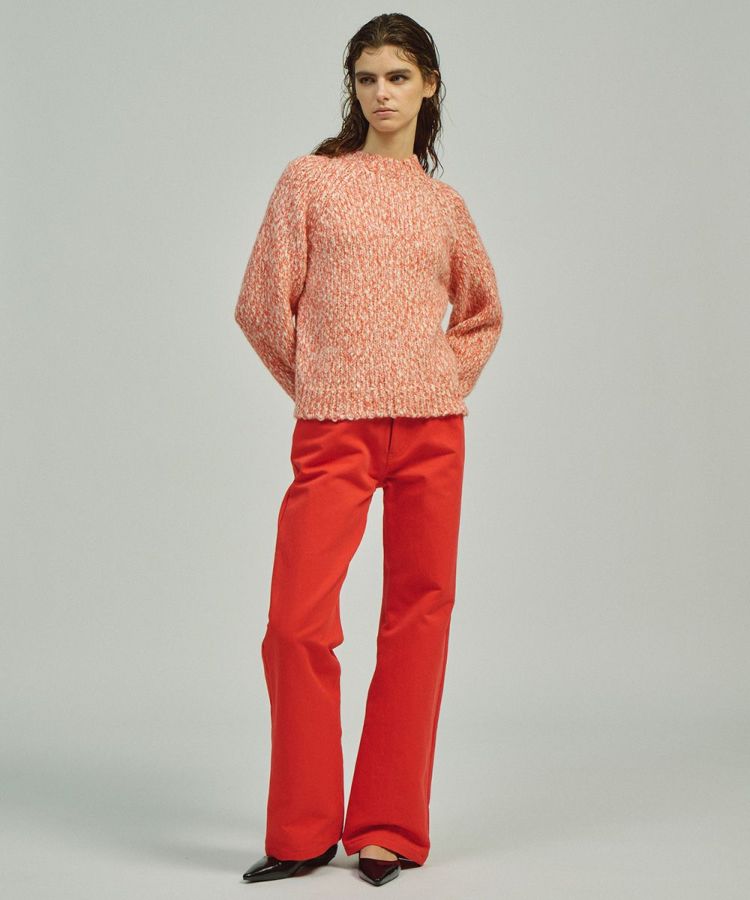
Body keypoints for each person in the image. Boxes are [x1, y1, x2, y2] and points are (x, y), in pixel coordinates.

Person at [234, 12, 503, 888]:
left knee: (419, 618)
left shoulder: (444, 206)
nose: (382, 93)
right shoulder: (311, 181)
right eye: (366, 78)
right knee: (295, 625)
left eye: (398, 76)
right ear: (352, 88)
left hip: (432, 430)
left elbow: (482, 314)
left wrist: (438, 376)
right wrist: (321, 384)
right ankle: (304, 828)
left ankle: (388, 826)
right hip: (336, 429)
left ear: (429, 85)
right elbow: (261, 306)